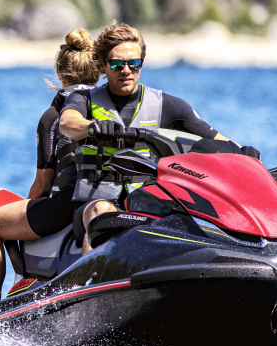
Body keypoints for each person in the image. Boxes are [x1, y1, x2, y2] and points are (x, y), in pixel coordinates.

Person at [58, 22, 258, 251]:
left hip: (146, 203)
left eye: (134, 63)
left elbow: (217, 140)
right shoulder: (84, 99)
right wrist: (93, 127)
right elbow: (67, 123)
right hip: (94, 203)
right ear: (103, 65)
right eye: (117, 64)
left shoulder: (167, 105)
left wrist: (244, 153)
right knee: (103, 213)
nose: (126, 70)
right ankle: (93, 270)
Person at [0, 29, 101, 303]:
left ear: (60, 73)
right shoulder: (109, 108)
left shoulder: (53, 117)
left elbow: (43, 183)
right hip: (103, 200)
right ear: (97, 72)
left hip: (67, 206)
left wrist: (27, 206)